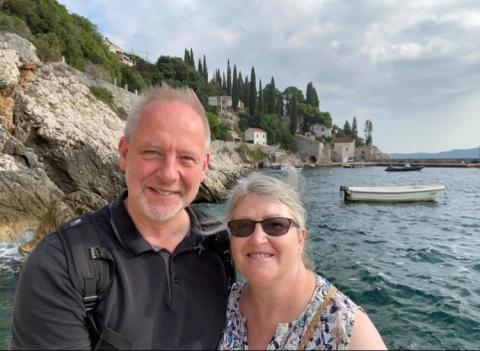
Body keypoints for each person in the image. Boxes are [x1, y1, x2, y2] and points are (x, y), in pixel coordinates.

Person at [11, 83, 232, 350]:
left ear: (204, 167)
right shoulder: (60, 264)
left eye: (186, 158)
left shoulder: (220, 243)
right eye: (152, 152)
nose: (168, 173)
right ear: (125, 154)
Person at [218, 173, 387, 350]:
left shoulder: (347, 330)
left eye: (276, 225)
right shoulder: (225, 304)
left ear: (300, 239)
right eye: (243, 226)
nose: (258, 238)